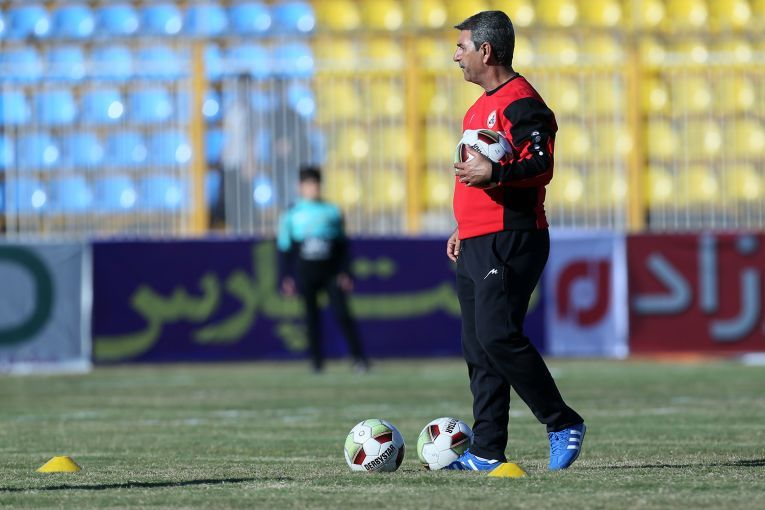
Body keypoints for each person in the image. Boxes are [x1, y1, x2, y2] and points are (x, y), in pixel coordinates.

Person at [445, 11, 586, 471]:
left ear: (486, 51)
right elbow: (478, 180)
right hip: (477, 238)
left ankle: (562, 420)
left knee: (498, 336)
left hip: (511, 237)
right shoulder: (477, 108)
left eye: (462, 47)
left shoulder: (522, 101)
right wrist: (463, 225)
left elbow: (542, 164)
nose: (456, 56)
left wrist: (496, 171)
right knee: (478, 348)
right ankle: (487, 450)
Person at [277, 166, 370, 373]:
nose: (313, 188)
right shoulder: (291, 214)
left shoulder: (332, 211)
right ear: (300, 187)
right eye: (308, 184)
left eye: (316, 184)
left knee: (343, 314)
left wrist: (346, 272)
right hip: (306, 272)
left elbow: (342, 245)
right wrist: (286, 276)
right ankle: (316, 362)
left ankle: (359, 359)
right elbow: (285, 248)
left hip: (331, 272)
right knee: (311, 318)